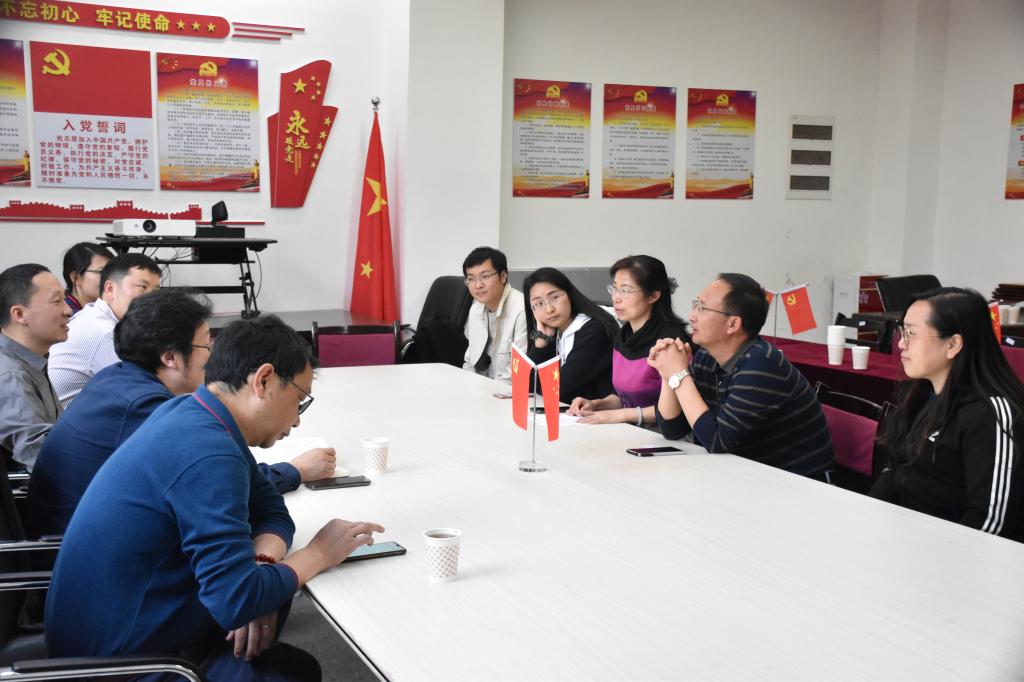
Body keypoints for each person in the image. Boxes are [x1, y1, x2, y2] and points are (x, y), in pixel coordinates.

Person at [46, 314, 385, 681]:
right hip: (124, 666)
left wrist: (262, 566)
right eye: (299, 399)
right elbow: (236, 601)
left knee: (295, 658)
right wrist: (318, 554)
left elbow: (270, 507)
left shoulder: (198, 414)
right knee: (291, 662)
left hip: (135, 630)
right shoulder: (208, 451)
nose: (298, 420)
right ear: (263, 380)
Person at [27, 290, 337, 538]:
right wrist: (293, 471)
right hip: (73, 551)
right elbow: (215, 481)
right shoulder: (148, 409)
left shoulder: (116, 379)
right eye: (205, 346)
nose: (212, 356)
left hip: (72, 535)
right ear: (170, 357)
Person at [870, 288, 1024, 540]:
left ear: (952, 344)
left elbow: (989, 522)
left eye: (912, 334)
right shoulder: (920, 394)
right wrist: (867, 517)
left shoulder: (990, 413)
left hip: (958, 552)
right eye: (902, 331)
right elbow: (895, 470)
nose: (900, 344)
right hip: (911, 536)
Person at [648, 273, 834, 479]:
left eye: (702, 308)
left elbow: (717, 441)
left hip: (798, 483)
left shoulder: (761, 364)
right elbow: (672, 430)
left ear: (733, 324)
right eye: (696, 305)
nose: (692, 316)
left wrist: (679, 374)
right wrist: (668, 372)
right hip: (743, 475)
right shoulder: (707, 357)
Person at [568, 255, 689, 426]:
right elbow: (625, 398)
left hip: (665, 435)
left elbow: (677, 409)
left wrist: (620, 415)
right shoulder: (624, 335)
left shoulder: (670, 342)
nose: (616, 298)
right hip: (631, 430)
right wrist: (596, 404)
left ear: (653, 296)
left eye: (625, 290)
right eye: (614, 288)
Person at [48, 252, 161, 407]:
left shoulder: (95, 315)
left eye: (155, 291)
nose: (152, 299)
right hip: (55, 421)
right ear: (110, 289)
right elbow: (142, 394)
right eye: (142, 287)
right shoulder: (103, 332)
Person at [0, 264, 71, 471]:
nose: (68, 310)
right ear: (19, 314)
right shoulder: (10, 373)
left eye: (65, 299)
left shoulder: (32, 360)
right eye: (56, 301)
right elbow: (37, 452)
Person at [523, 267, 618, 403]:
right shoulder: (554, 331)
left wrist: (541, 388)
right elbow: (527, 386)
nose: (549, 309)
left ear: (569, 294)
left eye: (555, 297)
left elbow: (556, 390)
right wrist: (540, 344)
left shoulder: (594, 330)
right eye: (539, 304)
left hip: (600, 413)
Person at [462, 246, 527, 382]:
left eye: (485, 276)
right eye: (471, 279)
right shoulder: (475, 309)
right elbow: (470, 361)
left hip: (506, 390)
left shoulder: (521, 310)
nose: (478, 285)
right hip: (480, 386)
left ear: (503, 276)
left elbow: (517, 372)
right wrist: (467, 386)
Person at [60, 241, 114, 316]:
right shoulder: (66, 316)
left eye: (112, 272)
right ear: (76, 278)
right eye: (101, 272)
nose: (111, 278)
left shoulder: (102, 310)